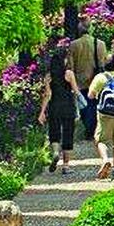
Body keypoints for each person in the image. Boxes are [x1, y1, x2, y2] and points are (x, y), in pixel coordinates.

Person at [37, 40, 80, 174]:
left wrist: (42, 113)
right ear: (64, 60)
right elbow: (76, 91)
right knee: (68, 134)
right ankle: (66, 166)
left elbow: (47, 95)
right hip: (68, 106)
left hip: (54, 106)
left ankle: (56, 152)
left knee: (54, 133)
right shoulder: (69, 74)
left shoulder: (49, 76)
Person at [67, 24, 108, 144]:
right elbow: (103, 61)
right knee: (94, 105)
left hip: (80, 81)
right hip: (96, 79)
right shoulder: (100, 43)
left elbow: (70, 65)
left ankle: (88, 129)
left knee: (84, 105)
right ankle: (93, 129)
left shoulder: (73, 45)